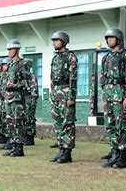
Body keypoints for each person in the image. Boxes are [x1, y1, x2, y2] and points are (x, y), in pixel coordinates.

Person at [100, 28, 126, 169]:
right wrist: (104, 89)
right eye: (107, 38)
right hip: (108, 95)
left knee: (122, 125)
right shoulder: (106, 57)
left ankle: (122, 157)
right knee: (110, 125)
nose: (108, 40)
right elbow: (102, 75)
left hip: (120, 95)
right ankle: (114, 153)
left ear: (118, 39)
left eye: (111, 38)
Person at [49, 31, 78, 163]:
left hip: (66, 92)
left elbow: (73, 78)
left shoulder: (70, 57)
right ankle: (61, 149)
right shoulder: (55, 58)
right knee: (58, 122)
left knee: (68, 123)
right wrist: (52, 94)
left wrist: (71, 96)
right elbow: (52, 78)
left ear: (64, 42)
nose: (54, 42)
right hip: (56, 92)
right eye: (53, 40)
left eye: (57, 40)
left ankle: (68, 152)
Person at [4, 39, 31, 157]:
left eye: (11, 49)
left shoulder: (23, 64)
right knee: (10, 122)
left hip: (18, 98)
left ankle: (19, 148)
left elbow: (27, 81)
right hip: (9, 97)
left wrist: (15, 85)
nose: (9, 51)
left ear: (17, 50)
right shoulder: (10, 64)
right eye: (8, 49)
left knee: (18, 122)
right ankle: (13, 145)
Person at [24, 58, 38, 146]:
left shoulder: (31, 76)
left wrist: (33, 102)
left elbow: (34, 90)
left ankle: (30, 137)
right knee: (24, 119)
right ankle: (25, 136)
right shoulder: (22, 76)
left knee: (30, 118)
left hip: (29, 99)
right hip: (23, 99)